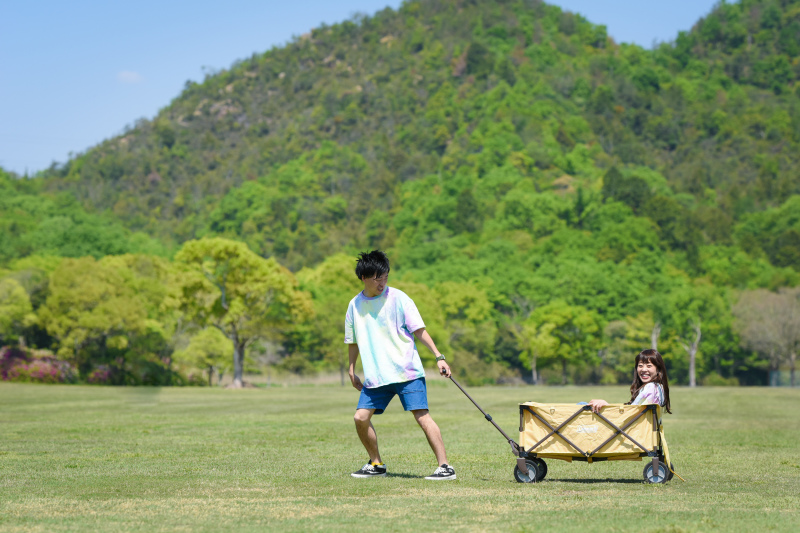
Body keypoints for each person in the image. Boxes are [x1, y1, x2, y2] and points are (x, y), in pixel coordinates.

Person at [345, 250, 456, 480]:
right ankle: (376, 464)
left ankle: (445, 467)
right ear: (364, 277)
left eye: (385, 276)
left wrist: (438, 356)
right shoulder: (354, 306)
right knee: (360, 417)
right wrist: (351, 368)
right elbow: (353, 340)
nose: (383, 282)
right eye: (377, 278)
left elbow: (419, 330)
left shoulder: (399, 298)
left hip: (407, 371)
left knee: (422, 417)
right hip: (377, 375)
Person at [588, 349, 672, 414]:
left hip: (636, 432)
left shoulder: (650, 387)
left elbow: (630, 413)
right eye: (640, 365)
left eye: (649, 366)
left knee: (584, 406)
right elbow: (633, 409)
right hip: (645, 432)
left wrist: (607, 406)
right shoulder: (659, 388)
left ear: (658, 369)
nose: (644, 369)